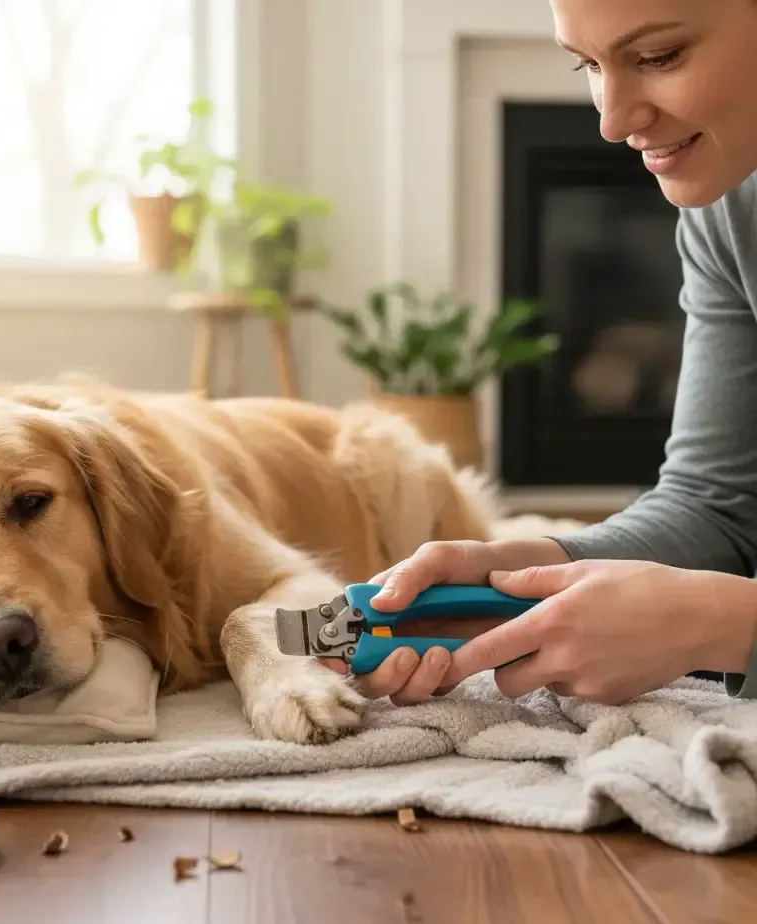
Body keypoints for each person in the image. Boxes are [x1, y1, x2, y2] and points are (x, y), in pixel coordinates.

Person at [323, 0, 757, 706]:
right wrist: (521, 577)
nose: (612, 121)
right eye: (588, 64)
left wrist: (723, 623)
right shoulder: (728, 209)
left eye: (657, 58)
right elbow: (718, 509)